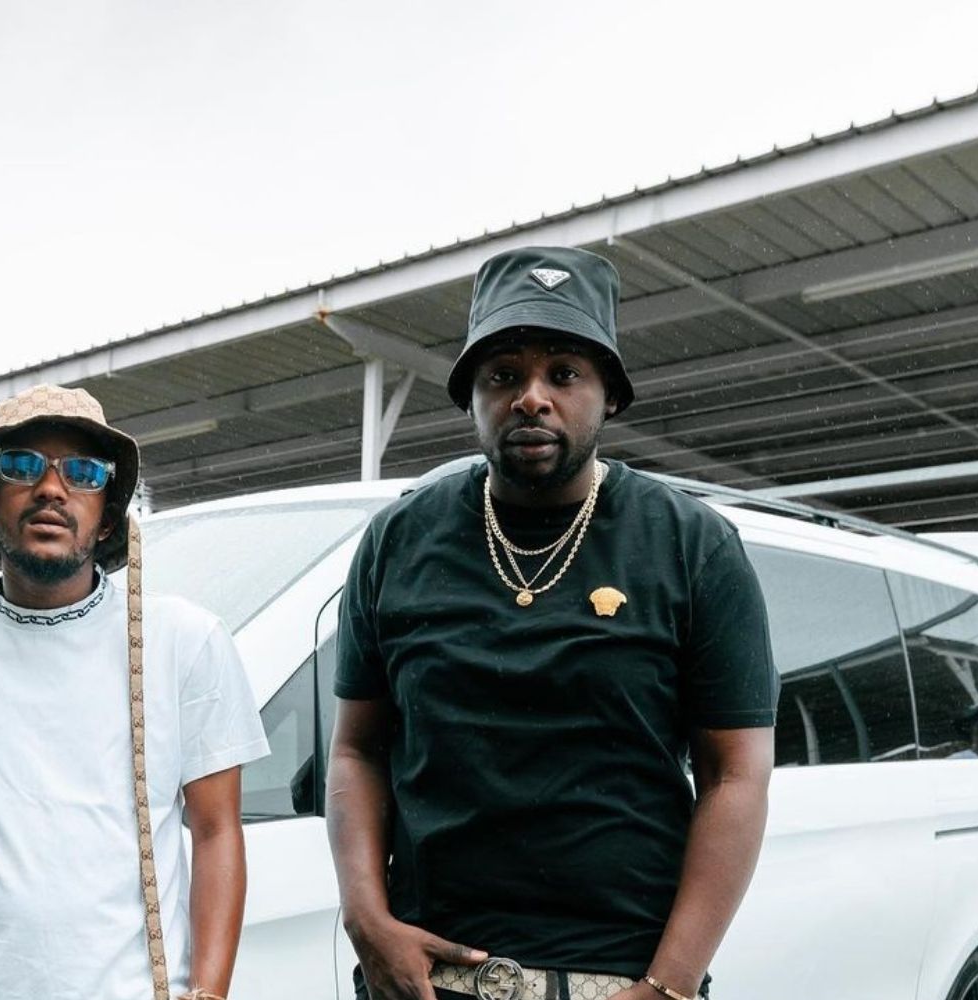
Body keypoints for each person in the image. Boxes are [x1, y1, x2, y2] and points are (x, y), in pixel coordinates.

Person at [327, 247, 779, 1000]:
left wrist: (670, 984)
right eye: (503, 376)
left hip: (621, 977)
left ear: (610, 396)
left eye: (564, 374)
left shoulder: (691, 545)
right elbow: (356, 750)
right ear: (472, 397)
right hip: (430, 977)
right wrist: (366, 918)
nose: (531, 398)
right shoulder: (399, 541)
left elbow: (736, 775)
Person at [0, 384, 269, 1000]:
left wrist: (208, 993)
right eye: (22, 466)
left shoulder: (186, 640)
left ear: (108, 518)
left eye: (83, 472)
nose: (52, 488)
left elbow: (216, 832)